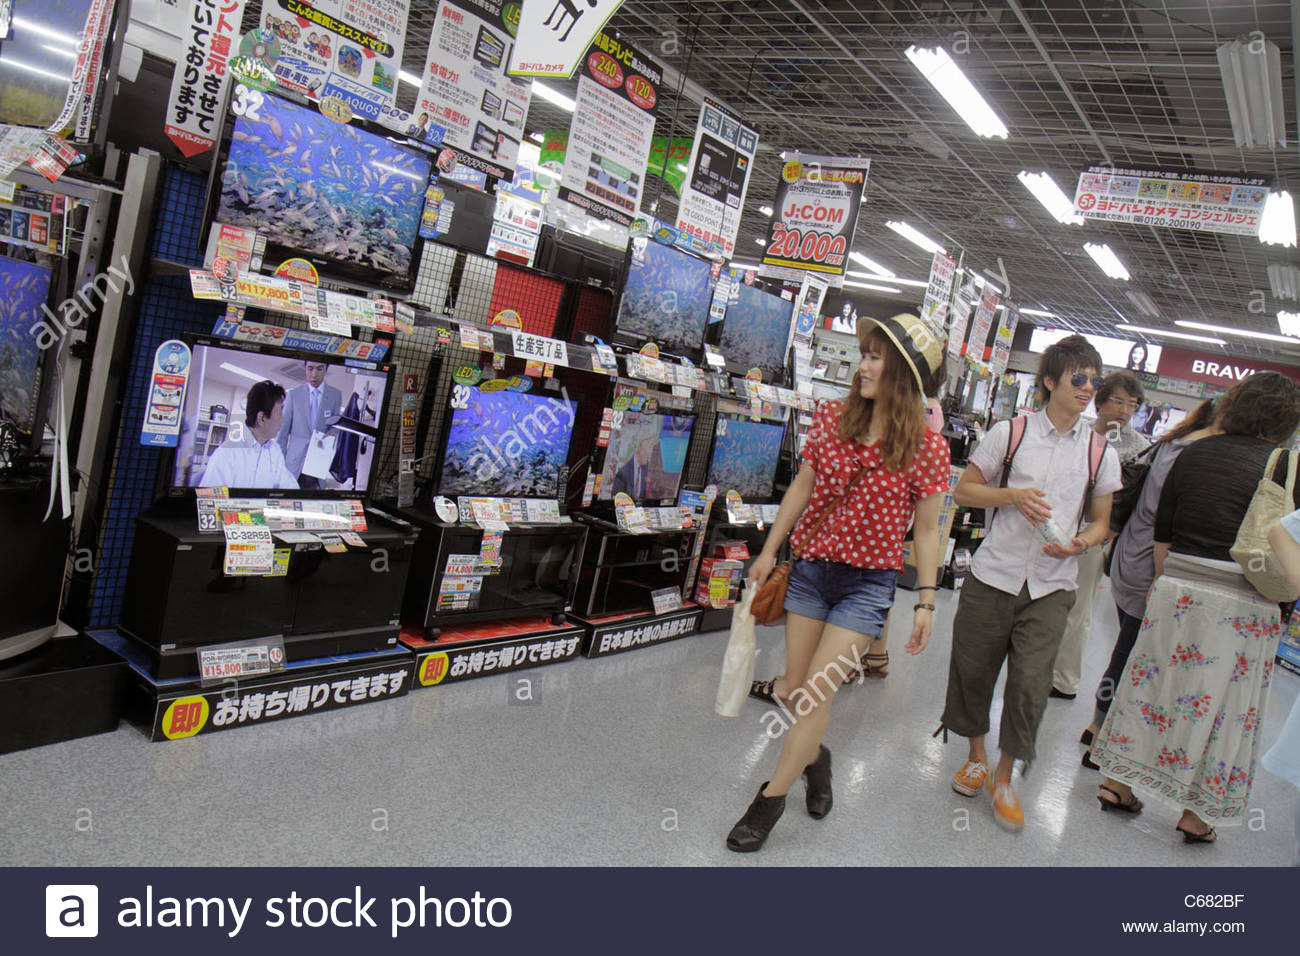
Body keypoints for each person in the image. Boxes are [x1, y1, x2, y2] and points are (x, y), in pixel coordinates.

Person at [729, 314, 950, 852]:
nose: (864, 366)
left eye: (877, 358)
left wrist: (925, 600)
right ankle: (816, 757)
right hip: (810, 574)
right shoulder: (831, 418)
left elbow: (926, 531)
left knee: (814, 696)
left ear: (905, 376)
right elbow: (802, 487)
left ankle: (768, 801)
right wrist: (768, 551)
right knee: (794, 691)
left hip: (867, 586)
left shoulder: (927, 447)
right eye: (865, 354)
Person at [1089, 372, 1300, 843]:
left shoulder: (1193, 451)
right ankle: (1196, 814)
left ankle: (1117, 783)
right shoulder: (1287, 466)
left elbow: (1165, 527)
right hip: (1247, 599)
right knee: (1228, 707)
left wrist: (1166, 583)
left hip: (1178, 585)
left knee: (1149, 685)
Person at [938, 334, 1121, 832]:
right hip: (994, 573)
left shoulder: (1100, 451)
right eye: (1077, 379)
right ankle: (976, 754)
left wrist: (1079, 545)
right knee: (973, 671)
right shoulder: (1011, 432)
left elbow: (1102, 521)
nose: (1087, 389)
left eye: (1093, 381)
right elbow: (965, 490)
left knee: (1030, 685)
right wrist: (1013, 497)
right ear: (1049, 382)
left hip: (1052, 583)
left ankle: (1003, 776)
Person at [1079, 395, 1220, 763]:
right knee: (1129, 654)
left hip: (1128, 553)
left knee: (1124, 648)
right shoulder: (1197, 455)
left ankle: (1096, 725)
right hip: (1152, 564)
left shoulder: (1168, 444)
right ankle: (1100, 736)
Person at [1049, 371, 1149, 700]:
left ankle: (1064, 680)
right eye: (1118, 401)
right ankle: (1041, 668)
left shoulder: (1137, 449)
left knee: (1078, 607)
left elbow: (1127, 503)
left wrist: (1103, 536)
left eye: (1131, 405)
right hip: (1055, 527)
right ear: (1101, 401)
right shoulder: (1079, 432)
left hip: (1094, 536)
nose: (1123, 410)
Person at [200, 381, 298, 490]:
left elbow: (289, 486)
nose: (282, 419)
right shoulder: (227, 453)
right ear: (262, 418)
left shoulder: (274, 450)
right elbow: (210, 502)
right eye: (280, 413)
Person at [278, 359, 342, 490]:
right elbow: (282, 434)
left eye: (319, 369)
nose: (314, 374)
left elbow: (336, 425)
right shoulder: (293, 395)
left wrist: (333, 433)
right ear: (305, 368)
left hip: (317, 463)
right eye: (310, 368)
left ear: (326, 370)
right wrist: (279, 464)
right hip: (294, 463)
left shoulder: (335, 395)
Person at [612, 433, 657, 500]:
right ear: (640, 448)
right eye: (650, 446)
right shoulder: (623, 471)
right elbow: (615, 498)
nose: (651, 452)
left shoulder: (645, 468)